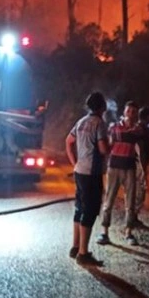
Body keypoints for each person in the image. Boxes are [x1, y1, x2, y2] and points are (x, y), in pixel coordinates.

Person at [65, 92, 110, 266]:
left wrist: (74, 162)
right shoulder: (99, 123)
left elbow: (68, 141)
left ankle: (75, 247)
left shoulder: (81, 122)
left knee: (79, 207)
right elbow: (103, 149)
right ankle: (83, 253)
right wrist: (112, 144)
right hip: (91, 173)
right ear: (102, 107)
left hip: (79, 171)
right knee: (90, 211)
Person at [97, 100, 144, 246]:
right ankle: (104, 232)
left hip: (129, 168)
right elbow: (108, 144)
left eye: (134, 112)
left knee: (130, 202)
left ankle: (129, 233)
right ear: (124, 112)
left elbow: (140, 150)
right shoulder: (114, 127)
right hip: (114, 167)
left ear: (137, 115)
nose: (131, 114)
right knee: (109, 200)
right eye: (128, 111)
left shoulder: (138, 131)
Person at [133, 107, 149, 227]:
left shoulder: (142, 128)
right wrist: (142, 164)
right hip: (139, 164)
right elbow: (140, 148)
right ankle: (132, 218)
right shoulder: (140, 129)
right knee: (139, 190)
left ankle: (133, 217)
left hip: (140, 163)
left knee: (138, 189)